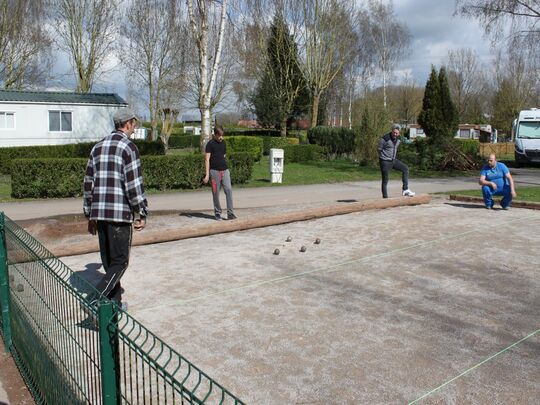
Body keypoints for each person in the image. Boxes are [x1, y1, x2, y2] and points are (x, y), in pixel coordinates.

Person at [83, 108, 148, 309]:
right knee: (120, 262)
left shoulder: (97, 147)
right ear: (128, 123)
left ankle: (114, 304)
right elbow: (134, 186)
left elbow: (88, 183)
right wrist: (142, 211)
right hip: (120, 215)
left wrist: (89, 214)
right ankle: (94, 299)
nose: (134, 128)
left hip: (100, 214)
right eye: (134, 124)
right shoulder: (129, 148)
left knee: (110, 263)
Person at [203, 125, 236, 220]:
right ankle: (217, 213)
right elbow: (207, 159)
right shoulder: (210, 144)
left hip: (225, 170)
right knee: (215, 193)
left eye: (222, 135)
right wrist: (207, 174)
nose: (221, 137)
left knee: (229, 190)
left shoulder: (223, 143)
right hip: (214, 172)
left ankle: (230, 213)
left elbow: (223, 156)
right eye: (219, 135)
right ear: (215, 134)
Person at [377, 124, 415, 198]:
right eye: (394, 132)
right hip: (385, 161)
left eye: (397, 133)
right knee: (385, 180)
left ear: (399, 133)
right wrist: (382, 158)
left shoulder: (399, 138)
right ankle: (385, 198)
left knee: (405, 169)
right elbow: (379, 149)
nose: (395, 134)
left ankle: (405, 189)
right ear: (392, 131)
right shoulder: (385, 138)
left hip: (393, 160)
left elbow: (407, 141)